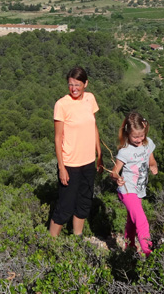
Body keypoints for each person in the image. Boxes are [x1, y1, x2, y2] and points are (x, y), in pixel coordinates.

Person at [49, 66, 103, 237]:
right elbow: (58, 138)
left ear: (86, 83)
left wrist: (99, 155)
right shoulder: (62, 104)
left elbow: (93, 127)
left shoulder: (90, 99)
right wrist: (62, 167)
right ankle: (49, 244)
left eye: (78, 85)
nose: (74, 89)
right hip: (70, 163)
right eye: (70, 85)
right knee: (65, 207)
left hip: (88, 162)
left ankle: (77, 240)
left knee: (84, 203)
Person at [111, 111, 158, 255]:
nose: (139, 139)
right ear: (127, 134)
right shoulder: (124, 151)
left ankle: (129, 249)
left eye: (141, 135)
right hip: (127, 190)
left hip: (139, 189)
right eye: (135, 137)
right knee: (141, 220)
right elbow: (114, 172)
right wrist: (117, 178)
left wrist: (153, 165)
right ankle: (149, 252)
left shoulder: (148, 143)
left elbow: (151, 159)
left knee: (132, 221)